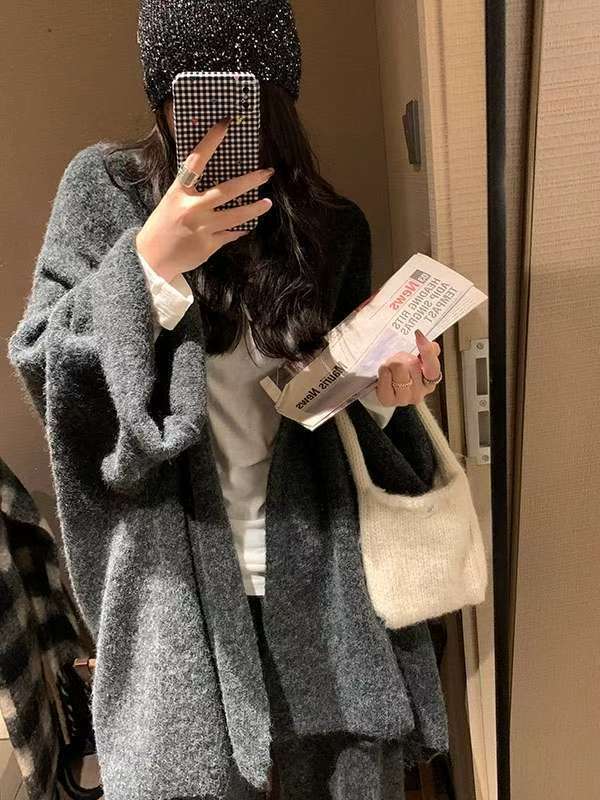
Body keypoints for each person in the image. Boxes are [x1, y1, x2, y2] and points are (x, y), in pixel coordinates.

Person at [8, 2, 449, 798]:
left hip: (321, 582)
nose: (220, 124)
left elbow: (343, 423)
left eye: (245, 98)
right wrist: (150, 265)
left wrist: (388, 395)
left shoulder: (328, 228)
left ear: (277, 98)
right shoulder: (106, 193)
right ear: (162, 96)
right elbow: (44, 362)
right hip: (176, 593)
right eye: (194, 97)